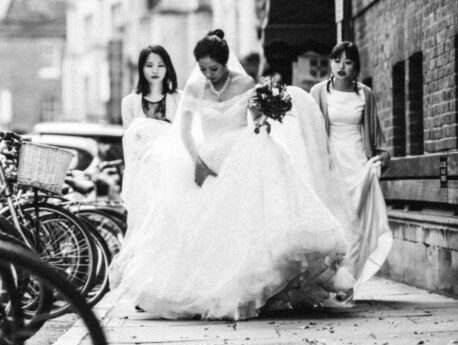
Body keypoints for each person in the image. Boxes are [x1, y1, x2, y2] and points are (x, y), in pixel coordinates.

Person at [110, 29, 353, 320]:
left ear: (225, 64)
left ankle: (259, 291)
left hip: (242, 153)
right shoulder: (195, 87)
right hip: (208, 157)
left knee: (251, 221)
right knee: (206, 227)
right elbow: (185, 130)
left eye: (213, 69)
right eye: (203, 69)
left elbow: (254, 119)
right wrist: (197, 162)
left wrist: (263, 120)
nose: (208, 74)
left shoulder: (246, 83)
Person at [310, 42, 392, 298]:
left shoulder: (365, 94)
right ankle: (331, 279)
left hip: (358, 164)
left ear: (356, 66)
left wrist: (382, 158)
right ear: (330, 63)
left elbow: (376, 137)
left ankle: (348, 283)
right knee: (335, 223)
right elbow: (311, 131)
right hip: (331, 165)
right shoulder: (318, 92)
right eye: (337, 60)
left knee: (355, 225)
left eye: (348, 61)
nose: (341, 66)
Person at [118, 45, 179, 233]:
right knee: (142, 229)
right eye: (149, 65)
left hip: (172, 174)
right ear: (141, 68)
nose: (155, 71)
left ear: (167, 68)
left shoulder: (180, 99)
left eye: (160, 65)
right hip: (142, 178)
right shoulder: (129, 103)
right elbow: (129, 144)